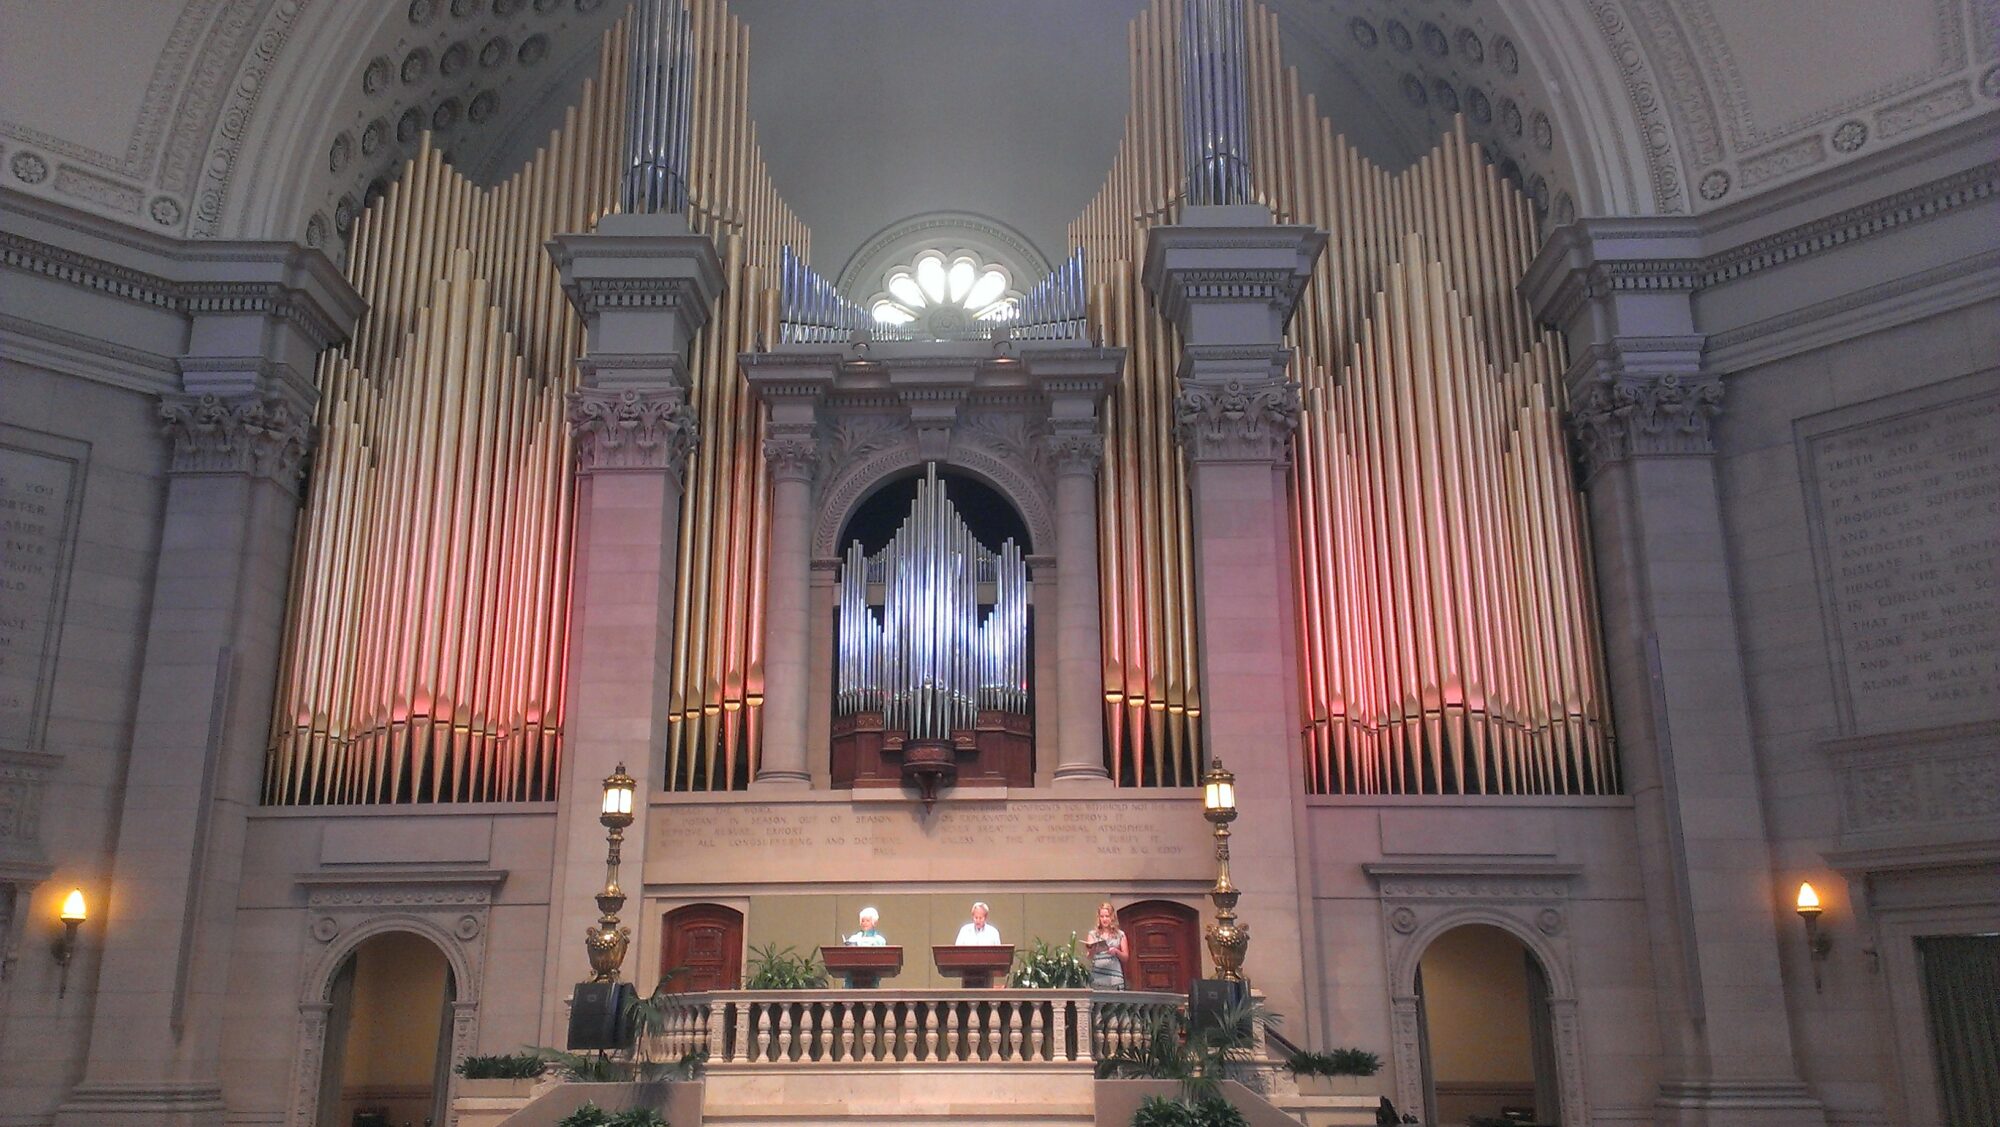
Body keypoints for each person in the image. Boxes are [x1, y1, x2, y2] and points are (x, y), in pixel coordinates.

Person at [1084, 901, 1129, 989]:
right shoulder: (1093, 934)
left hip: (1114, 977)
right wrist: (1093, 949)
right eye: (1102, 916)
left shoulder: (1120, 934)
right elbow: (1089, 956)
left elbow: (1126, 957)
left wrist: (1116, 951)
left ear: (1112, 917)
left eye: (1107, 916)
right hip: (1098, 976)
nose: (1104, 919)